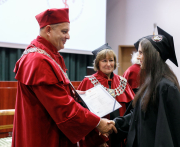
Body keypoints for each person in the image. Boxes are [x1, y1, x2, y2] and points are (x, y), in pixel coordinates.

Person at [12, 8, 116, 147]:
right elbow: (62, 107)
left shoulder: (48, 54)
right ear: (48, 30)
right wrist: (97, 123)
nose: (68, 37)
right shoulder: (38, 60)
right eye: (64, 31)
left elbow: (54, 93)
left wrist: (73, 93)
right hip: (44, 135)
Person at [111, 26, 180, 147]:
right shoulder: (150, 82)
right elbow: (138, 116)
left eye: (141, 52)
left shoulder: (166, 87)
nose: (138, 57)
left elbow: (167, 133)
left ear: (154, 54)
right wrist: (115, 124)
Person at [77, 43, 134, 147]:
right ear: (97, 63)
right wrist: (99, 139)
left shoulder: (123, 82)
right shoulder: (88, 82)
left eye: (111, 60)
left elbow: (132, 111)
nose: (108, 64)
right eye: (104, 60)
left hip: (121, 137)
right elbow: (83, 115)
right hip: (96, 139)